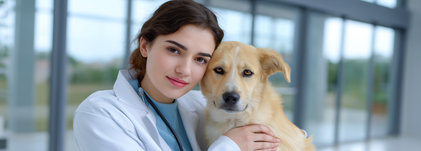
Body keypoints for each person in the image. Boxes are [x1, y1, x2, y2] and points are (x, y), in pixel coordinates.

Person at [73, 0, 280, 151]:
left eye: (200, 59)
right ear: (145, 46)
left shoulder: (202, 106)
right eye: (174, 50)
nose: (184, 70)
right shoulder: (101, 113)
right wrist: (230, 146)